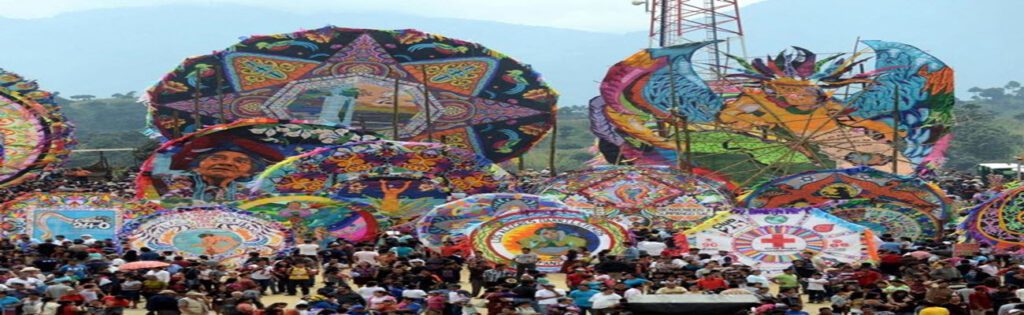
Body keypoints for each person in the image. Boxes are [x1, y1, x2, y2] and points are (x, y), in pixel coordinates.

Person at [163, 140, 284, 201]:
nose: (228, 163)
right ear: (196, 166)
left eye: (240, 161)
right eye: (217, 158)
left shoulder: (254, 196)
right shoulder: (175, 191)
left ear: (248, 172)